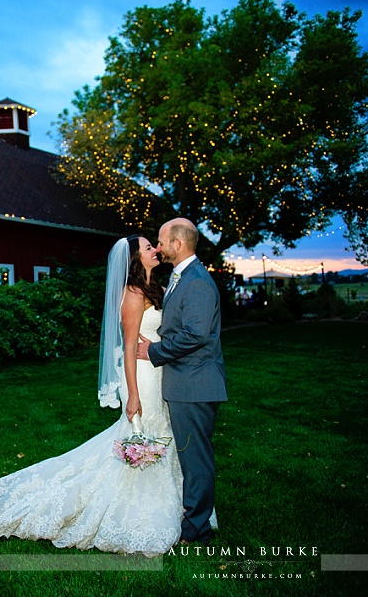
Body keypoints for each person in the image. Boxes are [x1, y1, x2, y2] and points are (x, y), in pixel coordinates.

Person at [0, 235, 186, 555]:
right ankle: (137, 505)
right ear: (135, 259)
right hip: (141, 378)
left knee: (163, 432)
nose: (155, 250)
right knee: (143, 431)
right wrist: (132, 395)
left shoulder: (156, 291)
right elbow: (130, 349)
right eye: (148, 247)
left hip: (159, 372)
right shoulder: (132, 296)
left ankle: (173, 498)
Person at [136, 218, 227, 545]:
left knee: (195, 458)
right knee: (190, 456)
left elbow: (195, 335)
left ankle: (196, 532)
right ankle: (196, 522)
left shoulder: (198, 282)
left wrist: (153, 351)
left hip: (195, 385)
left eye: (161, 241)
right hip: (183, 382)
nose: (158, 248)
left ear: (178, 243)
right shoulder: (181, 277)